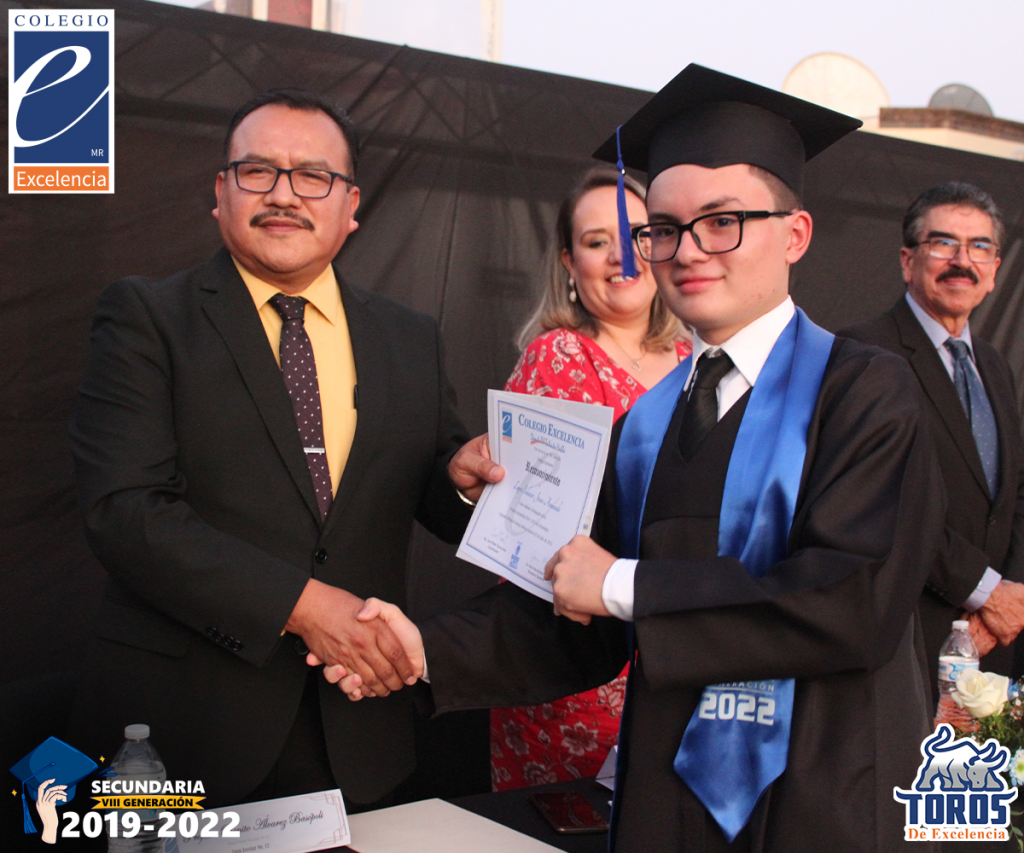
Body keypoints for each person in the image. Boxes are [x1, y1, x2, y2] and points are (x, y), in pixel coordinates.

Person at [327, 65, 946, 852]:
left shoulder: (865, 392)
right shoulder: (647, 426)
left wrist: (623, 581)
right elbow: (577, 622)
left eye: (723, 221)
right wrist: (423, 650)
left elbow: (851, 600)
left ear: (795, 234)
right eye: (666, 228)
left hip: (823, 792)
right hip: (666, 792)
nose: (686, 251)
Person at [66, 88, 497, 811]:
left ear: (351, 205)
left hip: (354, 727)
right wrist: (303, 606)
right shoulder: (147, 317)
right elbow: (126, 512)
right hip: (181, 726)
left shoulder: (409, 337)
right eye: (258, 171)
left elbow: (429, 492)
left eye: (313, 176)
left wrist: (460, 483)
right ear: (221, 192)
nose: (284, 195)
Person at [493, 166, 691, 790]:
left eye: (637, 237)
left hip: (687, 647)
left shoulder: (700, 361)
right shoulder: (557, 357)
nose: (620, 258)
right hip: (581, 659)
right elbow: (532, 532)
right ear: (569, 263)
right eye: (596, 241)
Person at [842, 183, 1024, 710]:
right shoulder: (861, 354)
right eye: (943, 243)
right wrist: (986, 593)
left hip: (996, 646)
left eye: (979, 247)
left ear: (994, 270)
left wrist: (1010, 599)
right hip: (905, 643)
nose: (962, 261)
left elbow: (1014, 494)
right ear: (908, 260)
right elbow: (881, 501)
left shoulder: (993, 365)